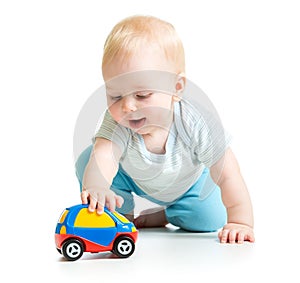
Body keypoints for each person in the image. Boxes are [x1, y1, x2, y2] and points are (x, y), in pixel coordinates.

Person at [76, 15, 255, 244]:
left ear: (176, 88)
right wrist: (96, 187)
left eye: (142, 95)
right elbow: (104, 156)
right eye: (115, 95)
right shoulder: (117, 121)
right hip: (129, 178)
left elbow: (228, 172)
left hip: (185, 183)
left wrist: (241, 221)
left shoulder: (195, 122)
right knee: (89, 161)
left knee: (210, 218)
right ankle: (121, 215)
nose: (127, 106)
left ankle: (167, 213)